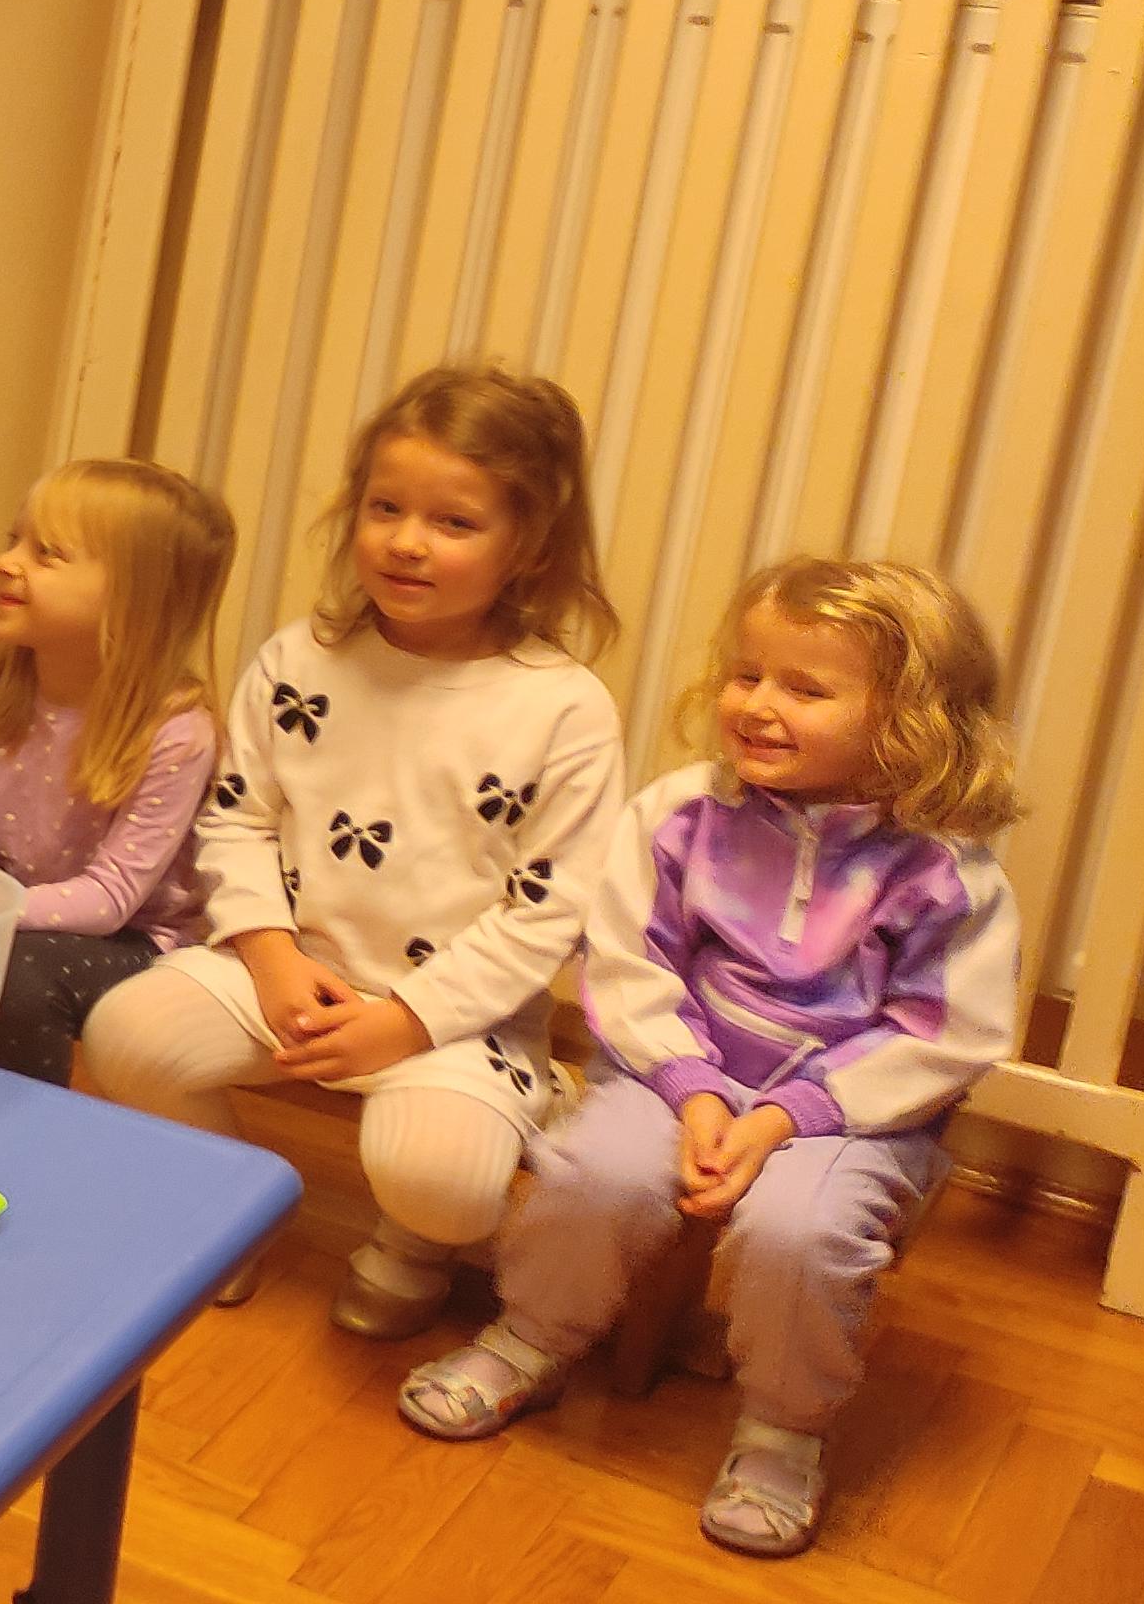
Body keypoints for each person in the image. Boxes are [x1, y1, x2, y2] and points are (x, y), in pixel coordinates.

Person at [399, 558, 1022, 1560]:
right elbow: (628, 961)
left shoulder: (949, 875)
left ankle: (783, 1427)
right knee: (591, 1172)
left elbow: (941, 1035)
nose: (758, 703)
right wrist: (690, 1089)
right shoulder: (681, 811)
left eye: (805, 688)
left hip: (851, 1119)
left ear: (911, 723)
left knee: (799, 1234)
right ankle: (532, 1337)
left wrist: (784, 1117)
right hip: (674, 1072)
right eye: (747, 673)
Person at [84, 364, 629, 1338]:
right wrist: (269, 955)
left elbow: (547, 911)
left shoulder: (564, 709)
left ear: (530, 547)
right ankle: (229, 1211)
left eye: (454, 522)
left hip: (452, 1019)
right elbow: (237, 822)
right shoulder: (299, 660)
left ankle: (417, 1240)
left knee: (444, 1184)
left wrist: (405, 1022)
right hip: (289, 975)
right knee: (124, 1031)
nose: (407, 541)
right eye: (386, 508)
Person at [0, 458, 235, 1087]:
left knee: (18, 972)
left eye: (47, 553)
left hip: (134, 940)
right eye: (14, 539)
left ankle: (20, 1131)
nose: (7, 562)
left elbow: (111, 898)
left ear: (135, 600)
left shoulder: (177, 732)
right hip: (13, 909)